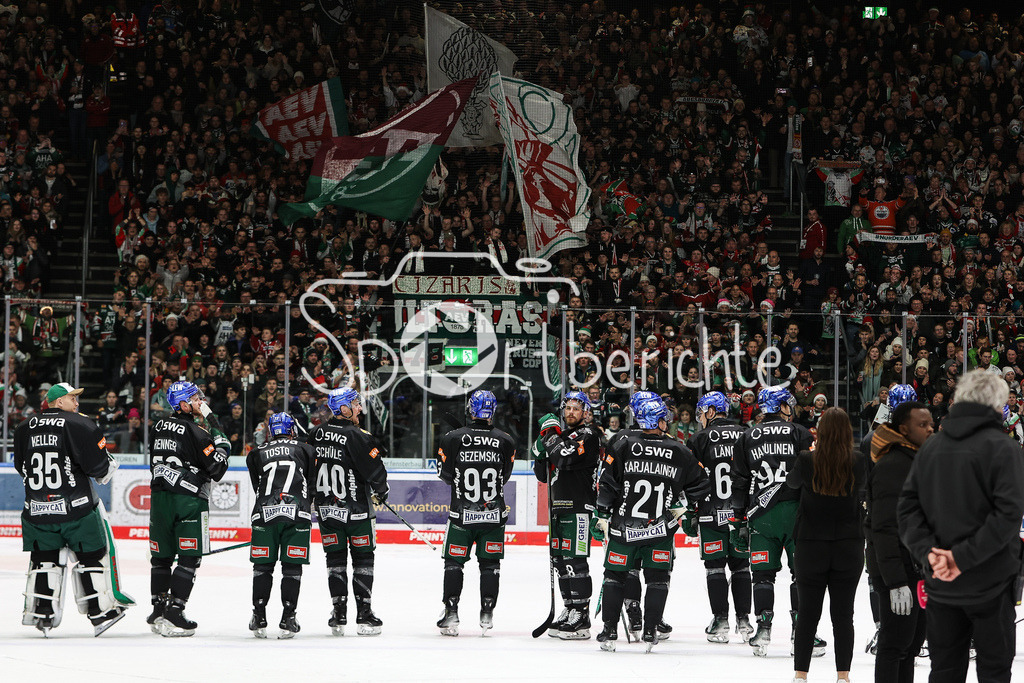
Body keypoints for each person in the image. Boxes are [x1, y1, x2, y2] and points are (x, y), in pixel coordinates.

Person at [899, 370, 1024, 683]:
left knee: (944, 672)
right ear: (998, 406)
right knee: (994, 673)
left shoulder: (931, 447)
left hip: (942, 584)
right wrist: (960, 559)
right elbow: (1008, 516)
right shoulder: (1004, 448)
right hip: (991, 584)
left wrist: (931, 555)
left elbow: (907, 510)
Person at [593, 396, 711, 651]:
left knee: (614, 576)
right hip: (660, 529)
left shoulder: (623, 443)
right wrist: (681, 505)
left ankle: (609, 630)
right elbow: (702, 483)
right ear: (657, 420)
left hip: (623, 528)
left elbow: (608, 483)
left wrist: (601, 513)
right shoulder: (679, 449)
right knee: (657, 579)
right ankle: (650, 631)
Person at [15, 382, 129, 636]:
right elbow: (100, 470)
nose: (77, 404)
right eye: (72, 399)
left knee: (45, 561)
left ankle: (42, 614)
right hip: (76, 509)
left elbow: (20, 466)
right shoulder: (80, 424)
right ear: (57, 402)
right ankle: (101, 613)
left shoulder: (23, 427)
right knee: (91, 557)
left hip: (37, 510)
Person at [731, 386, 822, 657]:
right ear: (781, 406)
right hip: (798, 513)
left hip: (762, 514)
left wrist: (738, 518)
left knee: (762, 576)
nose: (791, 409)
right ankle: (802, 632)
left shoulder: (747, 436)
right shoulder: (801, 432)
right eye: (788, 405)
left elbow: (739, 480)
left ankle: (763, 629)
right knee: (802, 576)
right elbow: (815, 472)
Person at [786, 408, 866, 683]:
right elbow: (864, 490)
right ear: (847, 432)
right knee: (844, 615)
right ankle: (843, 675)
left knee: (808, 614)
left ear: (820, 432)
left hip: (810, 545)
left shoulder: (806, 459)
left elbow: (791, 483)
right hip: (849, 545)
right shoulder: (858, 461)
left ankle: (800, 674)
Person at [147, 380, 230, 636]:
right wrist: (220, 436)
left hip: (159, 499)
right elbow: (218, 468)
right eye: (195, 399)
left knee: (161, 557)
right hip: (189, 500)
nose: (199, 402)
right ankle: (175, 612)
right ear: (182, 404)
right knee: (189, 557)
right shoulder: (196, 431)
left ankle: (158, 609)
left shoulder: (157, 427)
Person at [435, 389, 517, 636]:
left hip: (461, 516)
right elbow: (505, 476)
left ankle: (451, 613)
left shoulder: (452, 438)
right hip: (493, 516)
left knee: (454, 564)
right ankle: (487, 613)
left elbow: (445, 475)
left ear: (471, 409)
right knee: (490, 565)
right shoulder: (506, 440)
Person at [310, 387, 389, 636]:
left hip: (327, 512)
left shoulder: (315, 434)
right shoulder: (359, 436)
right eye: (355, 404)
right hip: (357, 513)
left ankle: (339, 613)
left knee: (335, 561)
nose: (359, 408)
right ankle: (364, 615)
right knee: (363, 560)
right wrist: (381, 491)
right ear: (343, 408)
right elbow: (377, 474)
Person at [866, 400, 932, 683]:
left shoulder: (917, 461)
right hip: (898, 573)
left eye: (931, 423)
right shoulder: (893, 465)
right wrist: (895, 582)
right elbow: (883, 527)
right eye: (922, 425)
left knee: (911, 646)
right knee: (894, 646)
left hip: (917, 570)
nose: (930, 429)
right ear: (904, 429)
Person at [532, 390, 602, 639]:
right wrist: (542, 448)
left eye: (576, 408)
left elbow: (564, 457)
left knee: (575, 561)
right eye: (568, 408)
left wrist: (549, 435)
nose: (571, 412)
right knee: (560, 561)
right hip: (558, 507)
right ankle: (570, 606)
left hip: (580, 507)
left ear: (585, 412)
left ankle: (581, 615)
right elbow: (543, 473)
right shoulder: (561, 437)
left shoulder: (590, 435)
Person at [685, 391, 753, 643]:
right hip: (740, 514)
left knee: (714, 567)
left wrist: (690, 512)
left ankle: (721, 622)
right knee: (741, 566)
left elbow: (691, 480)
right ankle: (745, 621)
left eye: (702, 413)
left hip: (710, 514)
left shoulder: (699, 438)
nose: (701, 418)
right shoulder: (746, 433)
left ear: (711, 412)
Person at [246, 412, 315, 639]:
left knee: (262, 567)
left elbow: (258, 483)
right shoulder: (306, 449)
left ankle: (259, 616)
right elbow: (311, 483)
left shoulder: (255, 453)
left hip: (265, 514)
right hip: (297, 514)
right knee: (292, 568)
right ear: (292, 429)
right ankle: (288, 617)